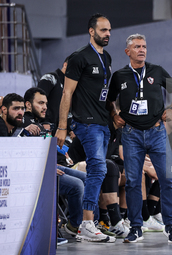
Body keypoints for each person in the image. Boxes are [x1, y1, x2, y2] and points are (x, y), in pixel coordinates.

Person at [107, 33, 172, 244]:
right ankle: (136, 227)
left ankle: (171, 226)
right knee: (132, 182)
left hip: (157, 132)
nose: (142, 50)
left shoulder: (156, 71)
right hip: (131, 135)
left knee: (168, 179)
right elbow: (110, 100)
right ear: (127, 51)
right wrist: (114, 115)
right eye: (137, 46)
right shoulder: (120, 75)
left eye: (144, 46)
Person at [55, 13, 116, 243]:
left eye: (109, 30)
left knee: (100, 171)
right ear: (92, 31)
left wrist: (114, 113)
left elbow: (103, 93)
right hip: (86, 123)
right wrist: (62, 126)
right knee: (98, 169)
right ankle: (86, 223)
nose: (107, 34)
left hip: (103, 123)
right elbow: (67, 93)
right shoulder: (79, 57)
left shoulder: (107, 57)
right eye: (103, 30)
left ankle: (85, 223)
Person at [22, 86, 86, 237]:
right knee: (77, 185)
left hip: (52, 165)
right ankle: (74, 226)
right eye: (40, 103)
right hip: (39, 172)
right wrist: (48, 166)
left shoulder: (42, 123)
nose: (44, 107)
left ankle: (88, 222)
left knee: (87, 179)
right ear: (28, 105)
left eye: (45, 103)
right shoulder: (26, 124)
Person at [37, 57, 69, 134]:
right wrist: (45, 121)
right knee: (49, 146)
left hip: (61, 129)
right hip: (48, 127)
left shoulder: (70, 85)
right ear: (65, 65)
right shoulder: (50, 77)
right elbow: (39, 100)